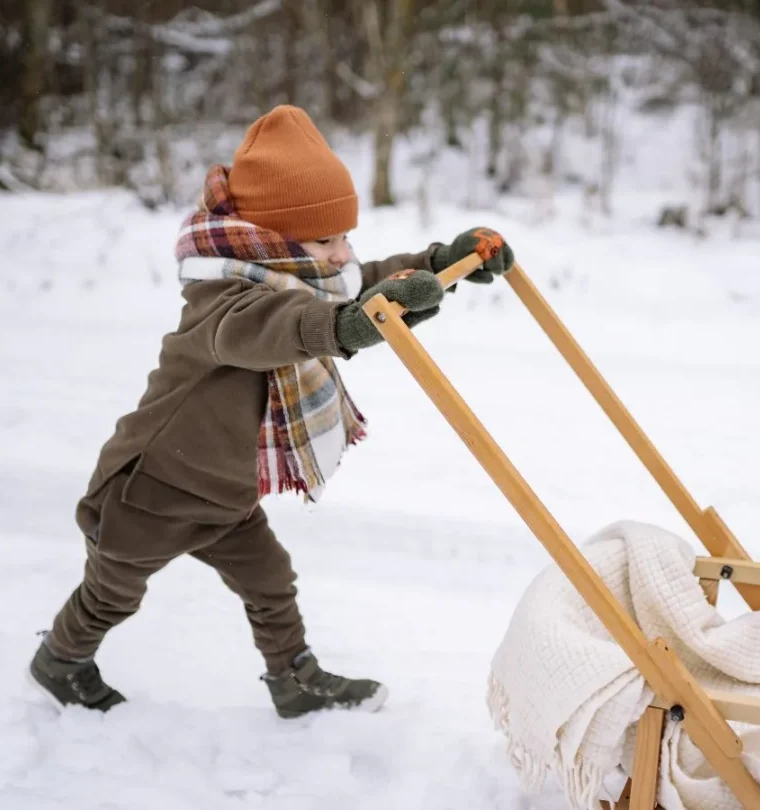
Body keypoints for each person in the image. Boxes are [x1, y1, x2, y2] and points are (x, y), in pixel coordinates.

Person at [28, 104, 515, 718]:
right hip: (150, 490)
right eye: (325, 240)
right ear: (275, 241)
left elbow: (362, 283)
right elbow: (270, 328)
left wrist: (440, 264)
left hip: (226, 496)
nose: (341, 254)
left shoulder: (304, 276)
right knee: (111, 595)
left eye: (344, 236)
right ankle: (62, 661)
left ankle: (294, 679)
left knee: (271, 581)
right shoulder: (220, 299)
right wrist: (344, 325)